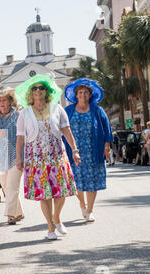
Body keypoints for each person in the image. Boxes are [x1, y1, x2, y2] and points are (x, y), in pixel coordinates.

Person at [15, 75, 79, 240]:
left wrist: (75, 150)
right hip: (36, 158)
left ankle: (56, 217)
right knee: (44, 194)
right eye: (35, 88)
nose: (38, 91)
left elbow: (67, 131)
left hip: (57, 155)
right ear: (31, 92)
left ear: (47, 91)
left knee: (61, 192)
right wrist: (19, 158)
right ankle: (50, 227)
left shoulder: (57, 108)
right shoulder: (24, 113)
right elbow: (20, 138)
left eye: (41, 88)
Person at [63, 78, 113, 222]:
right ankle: (82, 204)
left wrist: (107, 147)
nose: (83, 95)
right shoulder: (68, 110)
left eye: (86, 92)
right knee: (77, 180)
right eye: (80, 92)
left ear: (90, 94)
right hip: (74, 150)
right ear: (76, 94)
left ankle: (90, 210)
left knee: (92, 180)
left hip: (94, 149)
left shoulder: (97, 110)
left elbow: (106, 129)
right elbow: (61, 128)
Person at [0, 86, 24, 225]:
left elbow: (24, 135)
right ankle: (18, 212)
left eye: (5, 100)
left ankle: (10, 215)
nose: (2, 103)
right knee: (7, 188)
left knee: (12, 187)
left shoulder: (18, 116)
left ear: (10, 101)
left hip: (16, 156)